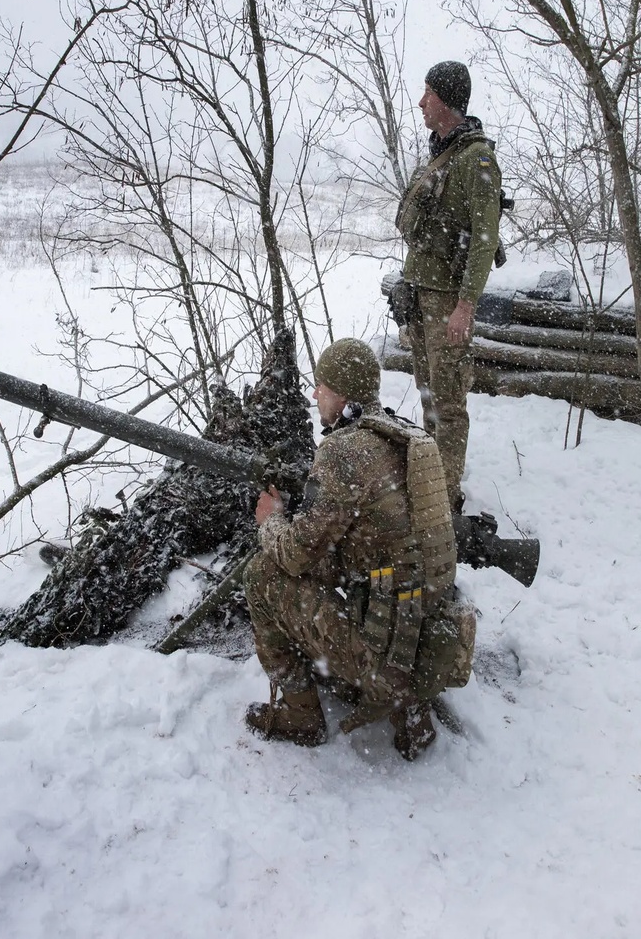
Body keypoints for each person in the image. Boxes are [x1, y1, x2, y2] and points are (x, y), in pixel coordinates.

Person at [242, 338, 476, 760]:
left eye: (322, 387)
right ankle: (412, 710)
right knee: (379, 571)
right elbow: (377, 543)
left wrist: (271, 519)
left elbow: (295, 554)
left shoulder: (343, 449)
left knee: (262, 573)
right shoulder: (406, 436)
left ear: (344, 395)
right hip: (428, 641)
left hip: (388, 658)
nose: (315, 395)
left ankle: (301, 714)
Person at [394, 61, 502, 510]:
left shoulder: (476, 159)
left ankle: (444, 499)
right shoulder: (440, 155)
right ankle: (430, 481)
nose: (421, 103)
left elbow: (484, 240)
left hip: (447, 304)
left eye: (428, 94)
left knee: (449, 404)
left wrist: (465, 307)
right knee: (428, 397)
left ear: (447, 99)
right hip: (421, 297)